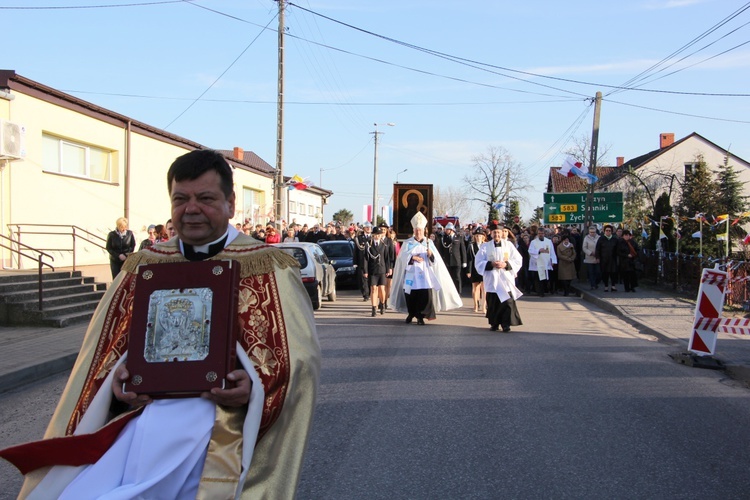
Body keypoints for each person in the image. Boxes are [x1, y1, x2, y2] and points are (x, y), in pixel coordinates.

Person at [5, 149, 321, 499]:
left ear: (231, 203)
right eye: (180, 199)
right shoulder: (143, 266)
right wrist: (118, 381)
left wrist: (254, 386)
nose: (192, 209)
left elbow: (299, 363)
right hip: (145, 427)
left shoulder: (268, 266)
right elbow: (103, 355)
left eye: (205, 198)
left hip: (223, 432)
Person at [388, 212, 462, 325]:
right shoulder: (408, 243)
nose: (419, 232)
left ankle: (420, 316)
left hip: (424, 275)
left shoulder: (429, 242)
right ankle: (411, 313)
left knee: (423, 296)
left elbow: (435, 260)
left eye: (421, 230)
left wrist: (430, 254)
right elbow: (401, 258)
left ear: (424, 231)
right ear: (413, 230)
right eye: (417, 230)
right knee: (410, 295)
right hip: (411, 274)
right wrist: (412, 257)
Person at [474, 222, 523, 332]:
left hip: (505, 279)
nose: (496, 234)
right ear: (491, 233)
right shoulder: (485, 246)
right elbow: (478, 262)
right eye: (494, 232)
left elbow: (518, 260)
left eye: (498, 232)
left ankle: (506, 324)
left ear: (502, 233)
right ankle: (494, 323)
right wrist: (491, 264)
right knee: (493, 302)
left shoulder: (509, 245)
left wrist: (506, 264)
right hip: (493, 279)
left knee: (507, 302)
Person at [363, 226, 393, 316]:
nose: (377, 236)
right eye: (375, 235)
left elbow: (387, 258)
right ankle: (373, 308)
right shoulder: (369, 244)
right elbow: (365, 258)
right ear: (373, 235)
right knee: (373, 288)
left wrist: (388, 269)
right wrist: (365, 270)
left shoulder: (384, 245)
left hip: (382, 269)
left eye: (379, 235)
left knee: (381, 289)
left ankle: (382, 304)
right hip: (372, 270)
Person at [528, 227, 557, 297]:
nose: (541, 235)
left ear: (544, 234)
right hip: (537, 263)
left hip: (546, 262)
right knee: (538, 278)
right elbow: (530, 251)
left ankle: (544, 290)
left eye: (542, 233)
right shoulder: (533, 242)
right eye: (539, 233)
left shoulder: (548, 241)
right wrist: (538, 251)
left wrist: (553, 260)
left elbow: (552, 251)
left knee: (545, 278)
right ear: (537, 234)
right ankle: (540, 292)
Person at [440, 222, 467, 295]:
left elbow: (463, 250)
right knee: (449, 277)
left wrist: (464, 261)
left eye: (447, 229)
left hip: (456, 261)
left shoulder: (458, 237)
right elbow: (442, 250)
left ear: (451, 230)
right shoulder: (444, 238)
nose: (446, 231)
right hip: (448, 261)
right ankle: (450, 292)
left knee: (457, 277)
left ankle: (458, 292)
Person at [466, 226, 487, 313]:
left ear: (483, 237)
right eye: (477, 236)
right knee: (475, 288)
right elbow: (470, 259)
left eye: (480, 236)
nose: (478, 237)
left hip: (484, 269)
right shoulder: (471, 246)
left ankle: (484, 306)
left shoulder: (486, 246)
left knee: (484, 288)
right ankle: (475, 305)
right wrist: (468, 271)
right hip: (475, 269)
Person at [596, 224, 619, 292]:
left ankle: (613, 286)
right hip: (604, 259)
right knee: (605, 273)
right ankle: (606, 286)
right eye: (606, 230)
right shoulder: (601, 239)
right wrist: (598, 257)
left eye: (609, 231)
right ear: (604, 231)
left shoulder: (615, 239)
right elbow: (598, 249)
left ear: (611, 231)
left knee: (613, 273)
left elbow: (617, 249)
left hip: (613, 259)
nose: (608, 232)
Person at [582, 225, 600, 290]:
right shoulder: (586, 238)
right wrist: (590, 253)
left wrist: (598, 254)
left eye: (593, 232)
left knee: (598, 272)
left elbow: (601, 247)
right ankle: (593, 285)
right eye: (591, 232)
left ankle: (596, 283)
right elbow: (584, 248)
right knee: (591, 272)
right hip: (589, 258)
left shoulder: (599, 237)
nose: (592, 233)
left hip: (597, 258)